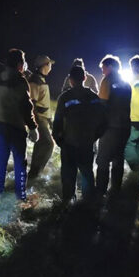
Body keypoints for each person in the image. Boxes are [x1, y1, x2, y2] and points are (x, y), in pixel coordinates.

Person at [52, 65, 108, 204]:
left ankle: (68, 202)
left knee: (68, 175)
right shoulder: (94, 97)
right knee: (87, 173)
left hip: (69, 143)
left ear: (70, 80)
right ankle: (88, 203)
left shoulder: (64, 97)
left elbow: (57, 122)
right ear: (84, 78)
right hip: (87, 143)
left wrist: (59, 140)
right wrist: (94, 136)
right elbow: (103, 121)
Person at [0, 48, 39, 202]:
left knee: (1, 161)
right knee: (20, 164)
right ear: (19, 64)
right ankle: (21, 197)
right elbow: (26, 106)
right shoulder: (20, 81)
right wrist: (33, 127)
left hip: (2, 126)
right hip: (17, 127)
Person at [95, 54, 132, 195]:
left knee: (103, 160)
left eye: (103, 68)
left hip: (110, 127)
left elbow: (102, 104)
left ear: (110, 66)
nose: (102, 71)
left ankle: (100, 190)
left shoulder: (107, 80)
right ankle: (116, 189)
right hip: (125, 127)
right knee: (118, 158)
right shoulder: (126, 83)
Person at [27, 54, 56, 180]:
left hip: (44, 118)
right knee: (49, 144)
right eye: (50, 65)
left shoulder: (41, 79)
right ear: (45, 65)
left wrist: (50, 120)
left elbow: (43, 102)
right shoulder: (35, 81)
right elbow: (32, 103)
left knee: (39, 146)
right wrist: (34, 123)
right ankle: (37, 173)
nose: (51, 67)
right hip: (39, 119)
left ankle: (33, 174)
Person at [124, 55, 139, 172]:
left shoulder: (131, 80)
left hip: (134, 118)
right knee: (138, 144)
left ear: (132, 66)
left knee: (128, 145)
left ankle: (135, 169)